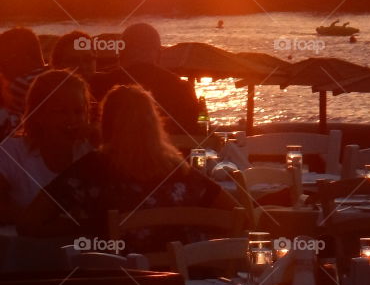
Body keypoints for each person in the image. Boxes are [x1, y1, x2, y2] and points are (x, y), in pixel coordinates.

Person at [18, 83, 237, 253]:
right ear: (154, 125)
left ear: (107, 123)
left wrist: (83, 226)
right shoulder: (179, 171)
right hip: (188, 283)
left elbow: (28, 224)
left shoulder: (91, 169)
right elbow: (237, 215)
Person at [0, 70, 94, 221]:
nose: (72, 119)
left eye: (78, 111)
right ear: (38, 115)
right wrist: (40, 219)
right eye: (61, 112)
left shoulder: (91, 152)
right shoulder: (12, 151)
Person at [89, 21, 200, 137]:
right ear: (159, 54)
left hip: (114, 153)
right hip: (167, 153)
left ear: (121, 53)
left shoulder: (99, 84)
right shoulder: (182, 88)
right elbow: (194, 132)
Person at [0, 27, 47, 120]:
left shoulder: (22, 84)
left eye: (2, 60)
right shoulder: (56, 74)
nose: (2, 69)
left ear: (19, 59)